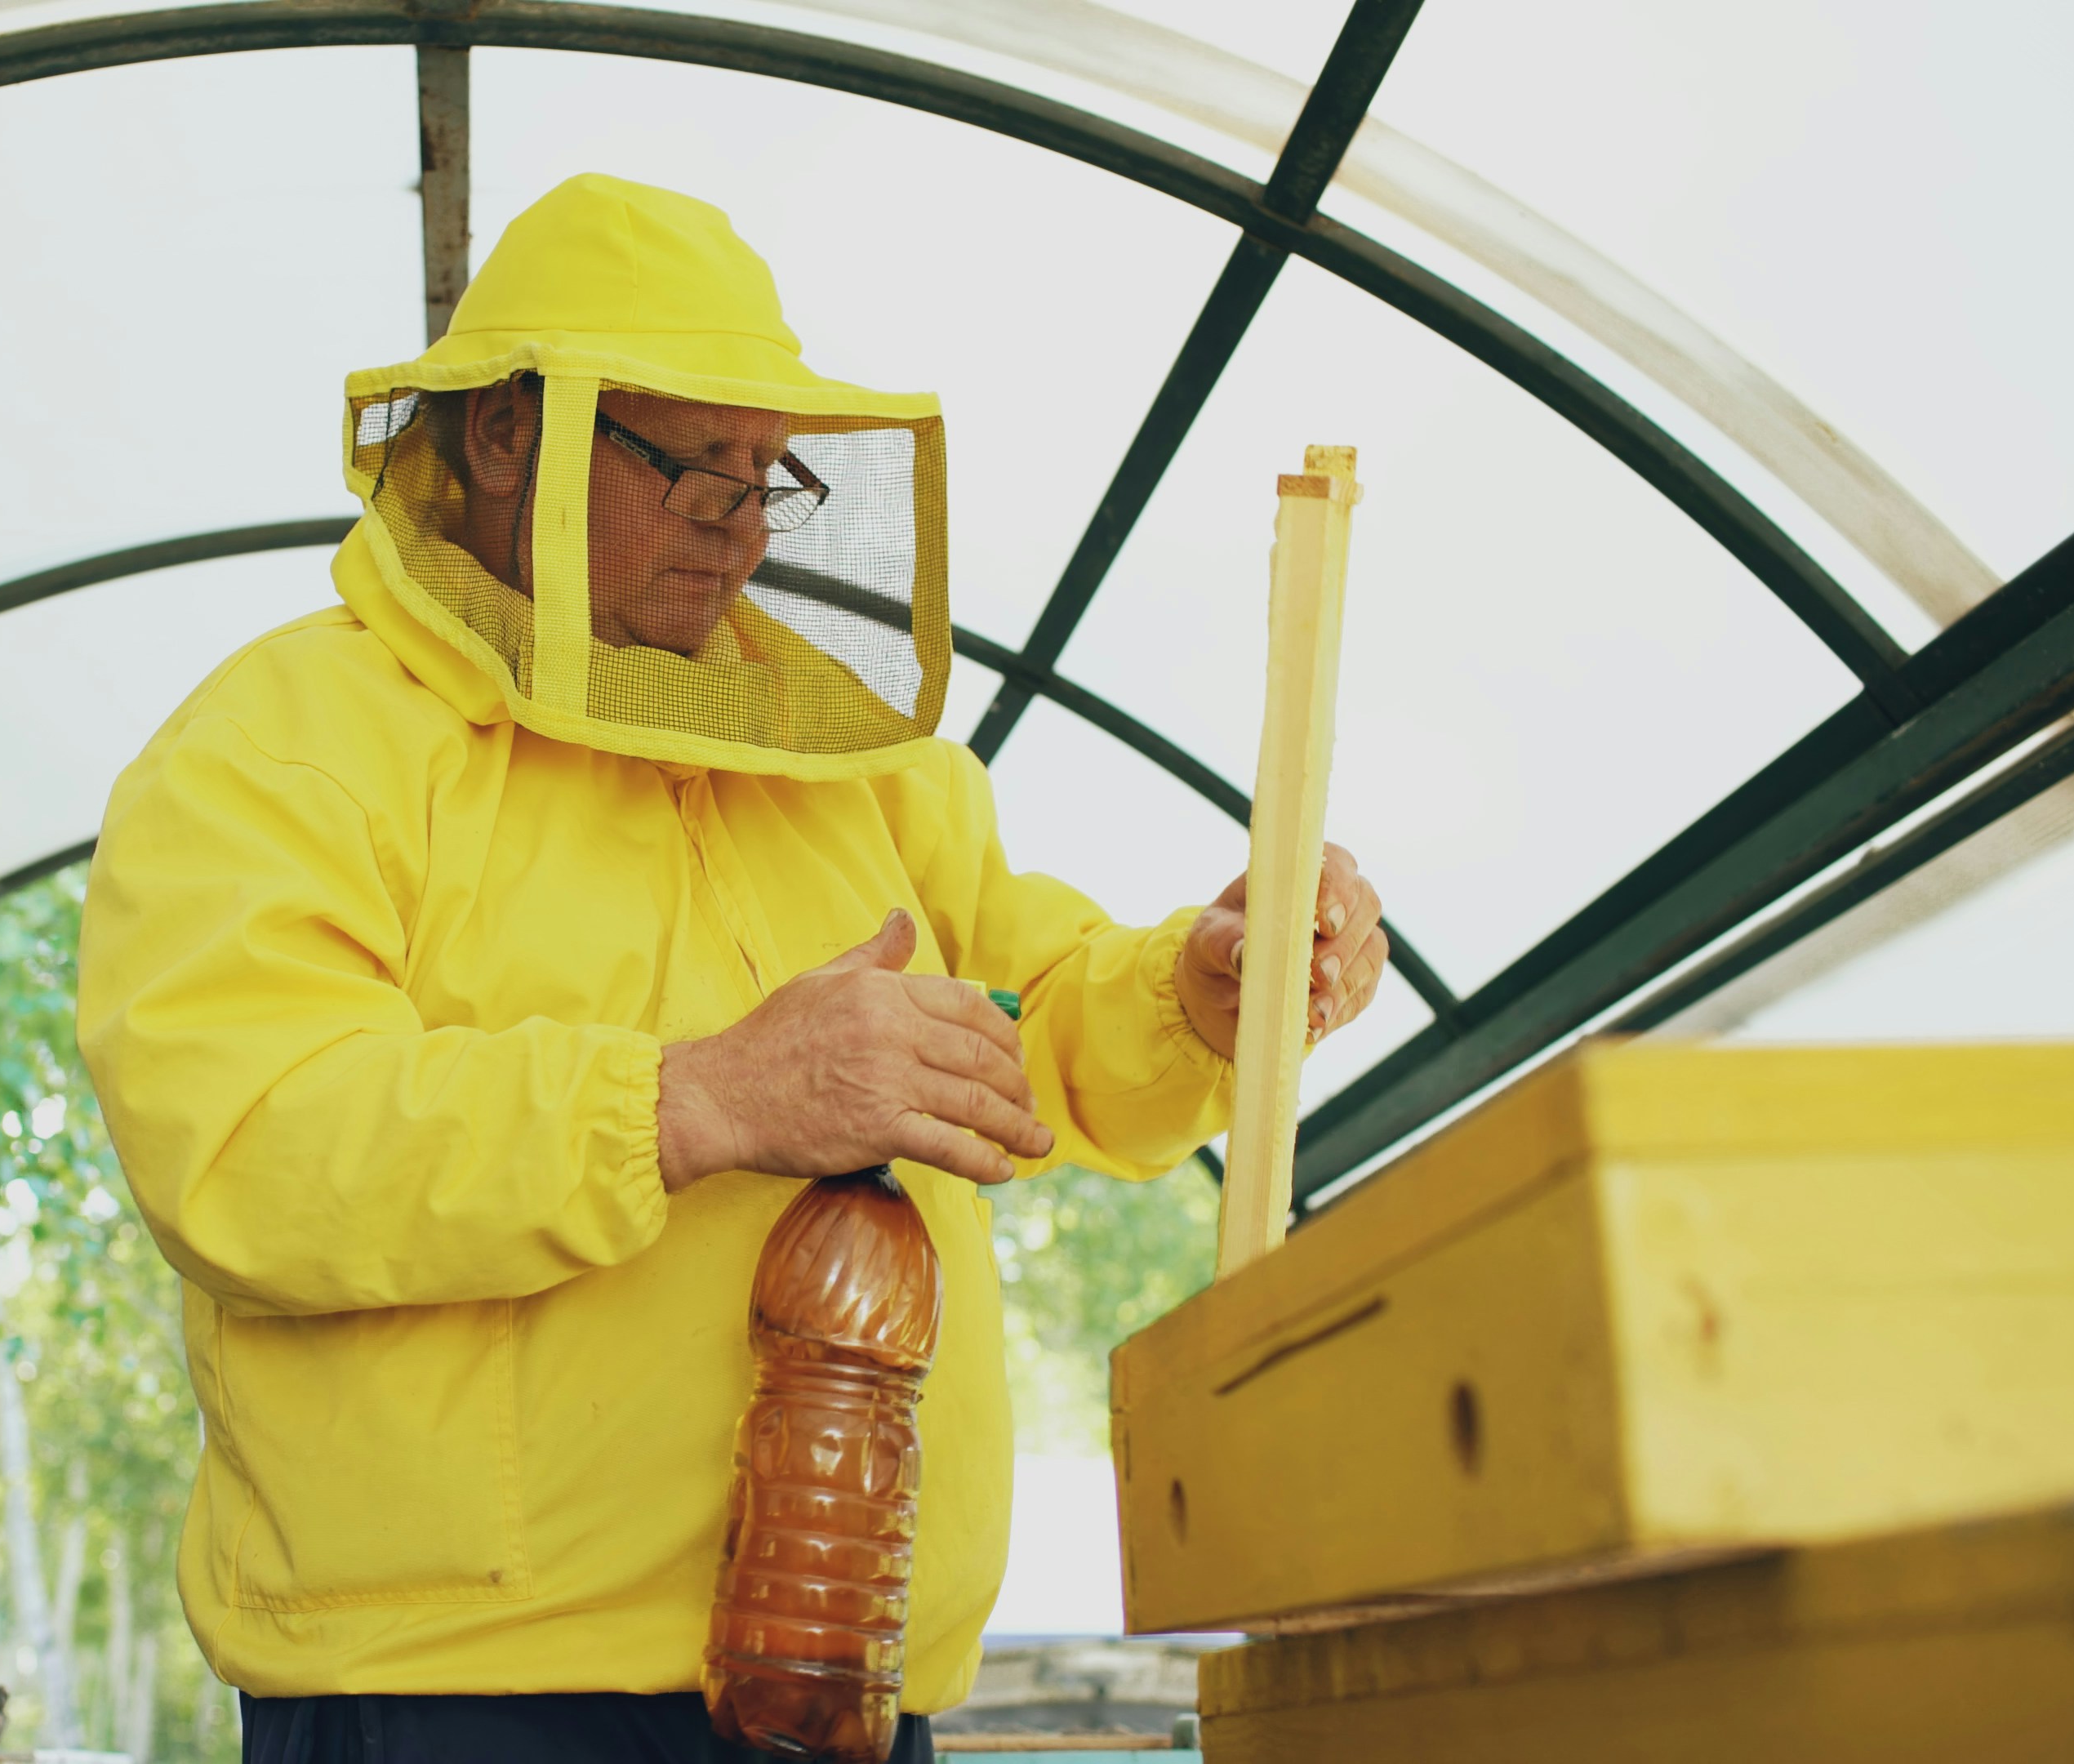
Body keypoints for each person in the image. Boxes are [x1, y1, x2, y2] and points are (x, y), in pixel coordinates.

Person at [78, 174, 1387, 1763]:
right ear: (506, 437)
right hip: (458, 1692)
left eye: (768, 481)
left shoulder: (855, 767)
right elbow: (248, 1146)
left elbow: (1016, 1038)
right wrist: (696, 1099)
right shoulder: (286, 743)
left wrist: (1199, 992)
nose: (746, 532)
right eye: (697, 474)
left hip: (850, 1670)